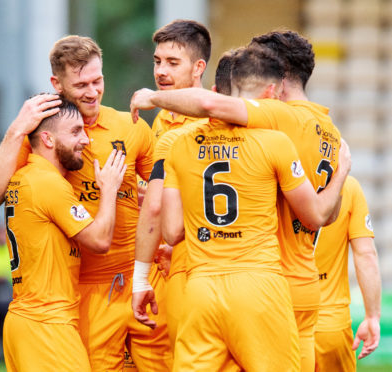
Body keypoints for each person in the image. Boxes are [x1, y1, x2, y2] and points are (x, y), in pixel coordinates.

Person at [130, 31, 342, 371]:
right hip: (270, 283)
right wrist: (343, 170)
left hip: (200, 285)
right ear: (270, 92)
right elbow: (319, 215)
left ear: (215, 90)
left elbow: (170, 230)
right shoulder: (290, 137)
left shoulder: (178, 142)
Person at [0, 36, 171, 371]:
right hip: (85, 293)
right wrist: (15, 131)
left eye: (97, 80)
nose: (92, 92)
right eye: (80, 84)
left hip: (143, 280)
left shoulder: (133, 126)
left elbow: (163, 193)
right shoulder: (42, 136)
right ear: (57, 83)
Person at [2, 97, 126, 372]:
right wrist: (109, 190)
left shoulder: (24, 177)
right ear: (47, 139)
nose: (85, 140)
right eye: (75, 131)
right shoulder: (48, 183)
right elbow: (100, 240)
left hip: (24, 321)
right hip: (47, 325)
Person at [132, 19, 212, 346]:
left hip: (199, 265)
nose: (161, 71)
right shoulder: (163, 118)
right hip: (169, 263)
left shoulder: (213, 118)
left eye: (172, 63)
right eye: (157, 61)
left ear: (198, 68)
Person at [314, 175, 381, 371]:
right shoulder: (348, 187)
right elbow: (366, 254)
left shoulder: (276, 182)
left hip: (283, 321)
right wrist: (372, 316)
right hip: (332, 325)